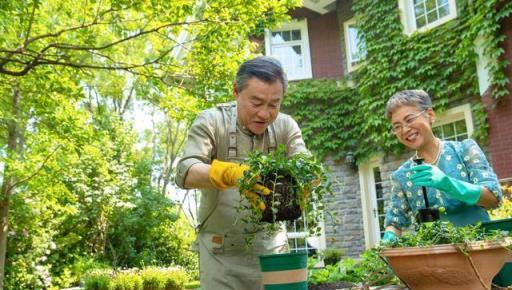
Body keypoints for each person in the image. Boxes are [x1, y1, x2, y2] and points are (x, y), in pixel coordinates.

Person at [175, 56, 308, 290]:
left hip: (272, 250)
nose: (265, 114)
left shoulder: (286, 127)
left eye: (274, 104)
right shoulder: (212, 122)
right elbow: (186, 171)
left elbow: (304, 164)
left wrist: (307, 178)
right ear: (237, 91)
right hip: (220, 254)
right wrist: (230, 174)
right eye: (256, 103)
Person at [381, 89, 502, 242]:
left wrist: (449, 184)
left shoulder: (464, 150)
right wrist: (387, 241)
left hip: (481, 248)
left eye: (409, 119)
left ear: (430, 115)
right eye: (397, 126)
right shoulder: (402, 176)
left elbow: (493, 198)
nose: (404, 130)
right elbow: (395, 222)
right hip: (435, 260)